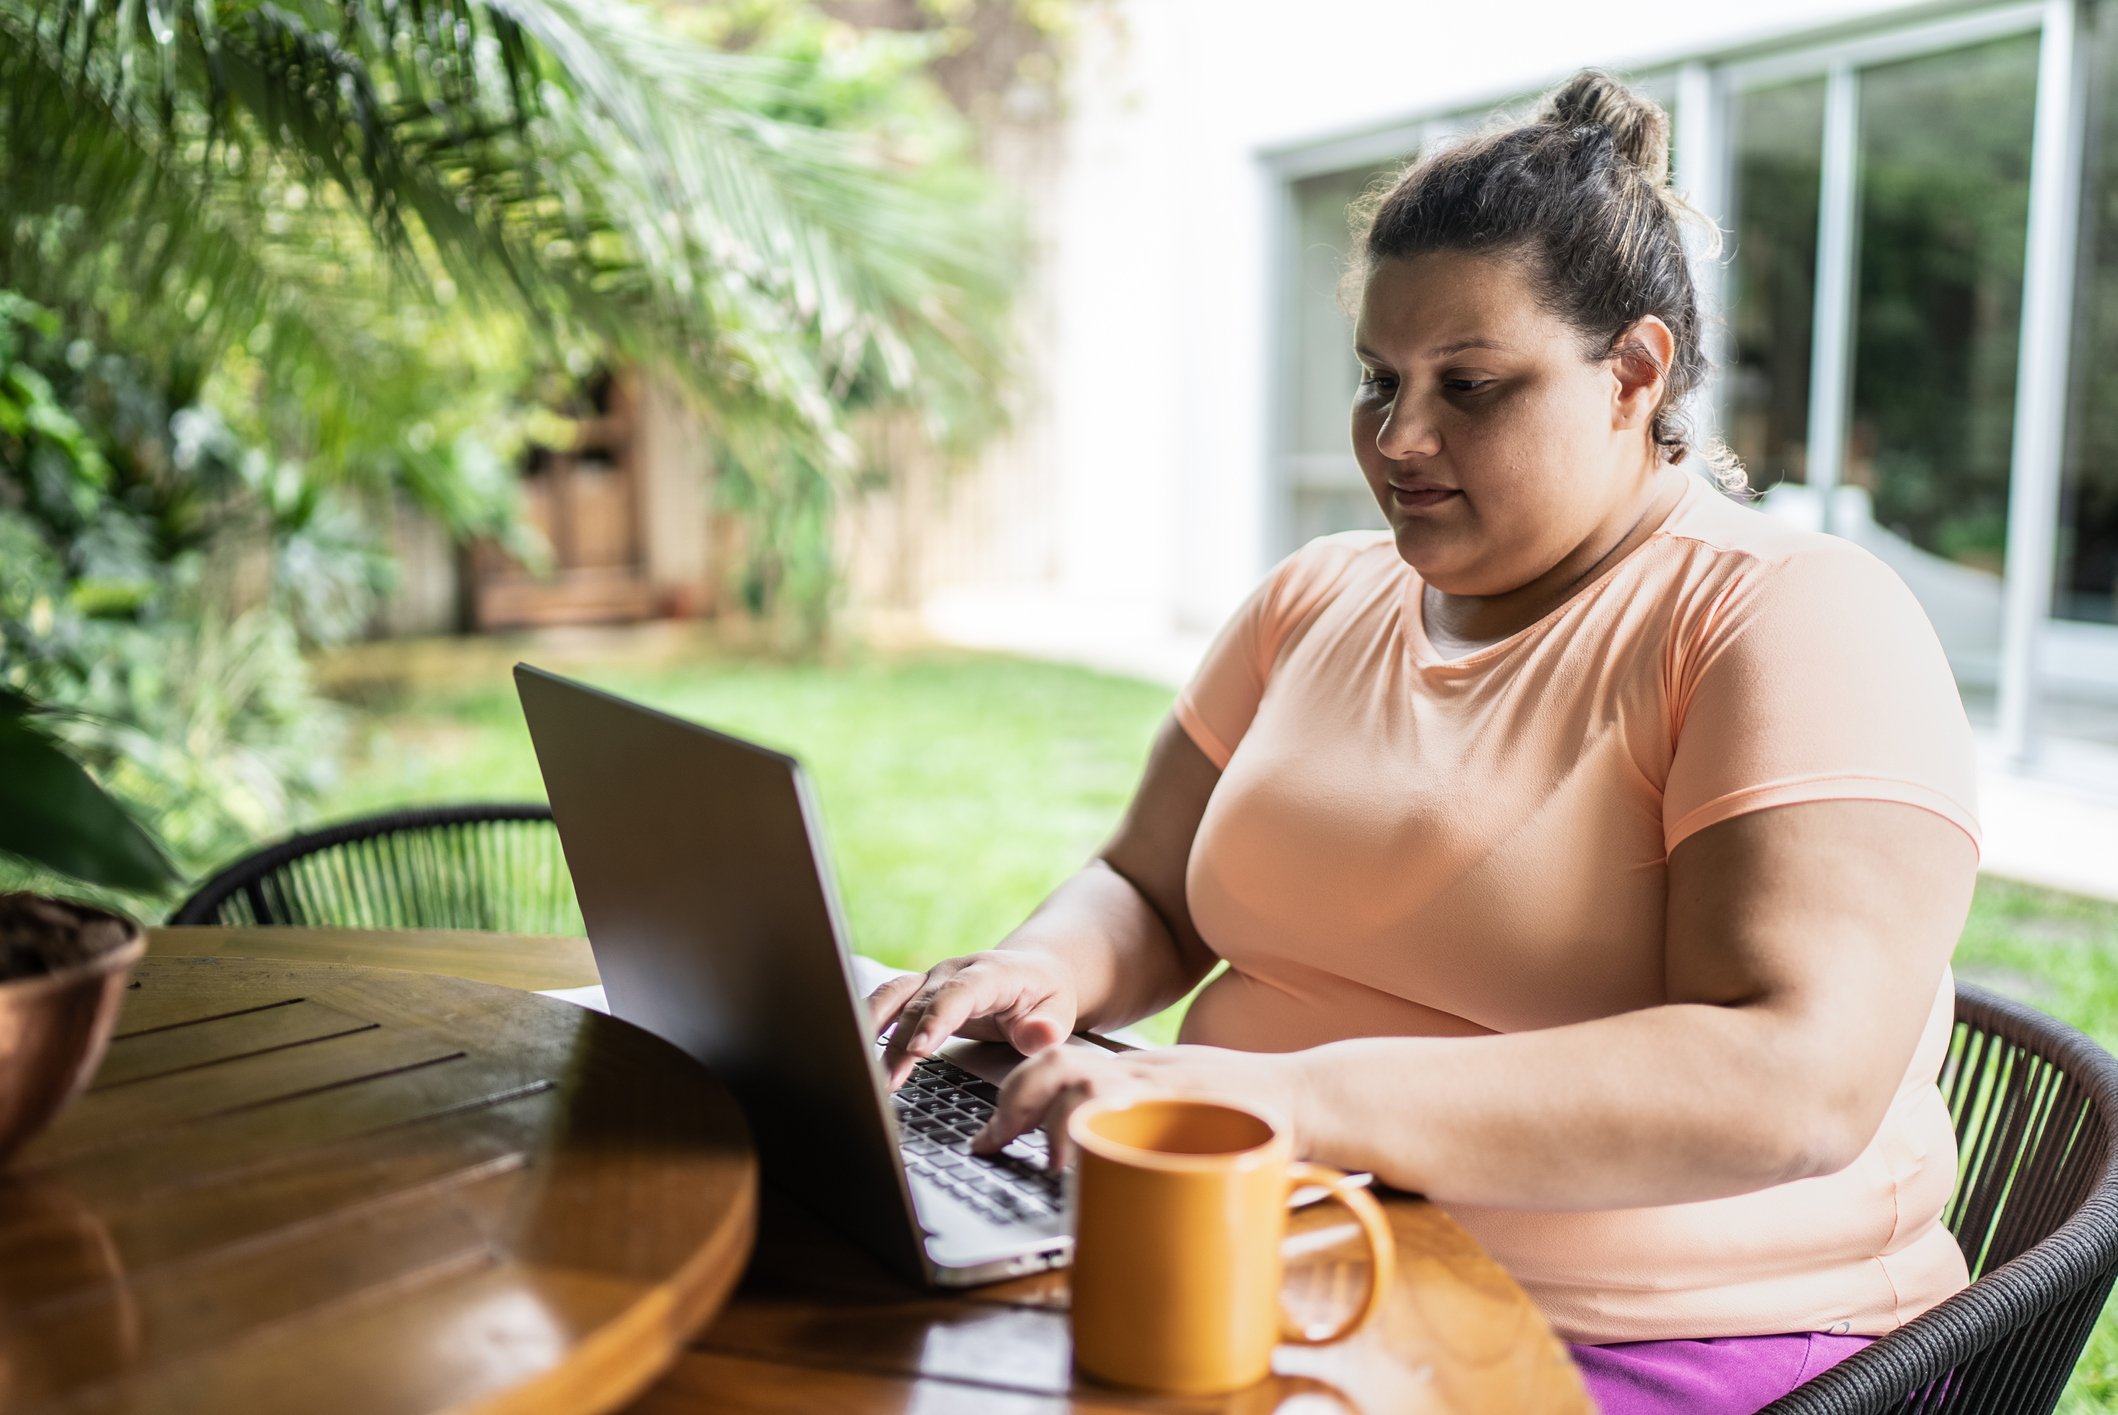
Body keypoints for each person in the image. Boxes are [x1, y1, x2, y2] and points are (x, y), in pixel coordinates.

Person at [866, 68, 1979, 1415]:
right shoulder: (1315, 596)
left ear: (1633, 373)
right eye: (1379, 380)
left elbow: (1786, 1086)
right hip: (1288, 1248)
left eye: (1471, 386)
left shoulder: (1783, 617)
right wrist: (1039, 965)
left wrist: (1297, 1102)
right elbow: (1149, 891)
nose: (1398, 438)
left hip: (1638, 1338)